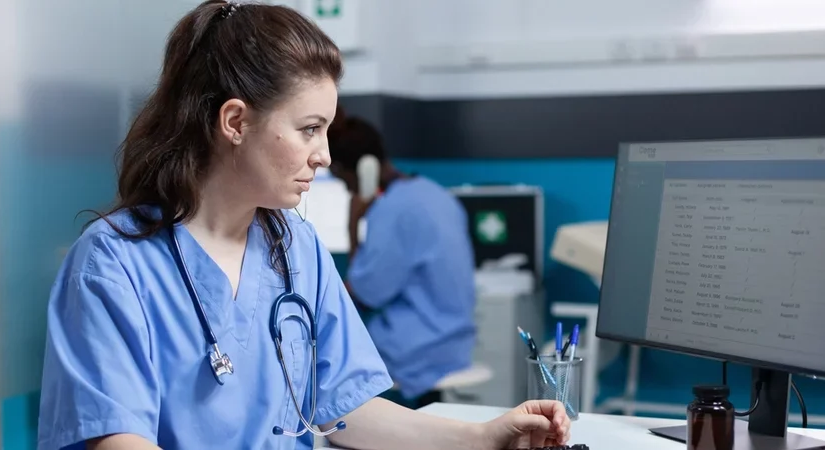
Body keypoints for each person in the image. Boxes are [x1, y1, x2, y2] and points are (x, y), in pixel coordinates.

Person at [36, 2, 571, 449]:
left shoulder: (294, 246)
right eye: (310, 129)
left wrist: (482, 437)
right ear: (236, 122)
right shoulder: (113, 263)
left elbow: (341, 408)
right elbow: (118, 439)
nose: (325, 155)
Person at [326, 109, 479, 409]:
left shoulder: (393, 210)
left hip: (418, 351)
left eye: (345, 181)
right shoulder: (434, 194)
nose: (348, 190)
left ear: (363, 170)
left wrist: (353, 225)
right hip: (455, 343)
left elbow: (367, 294)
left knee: (322, 354)